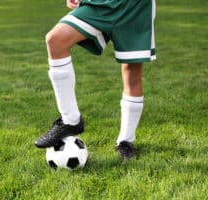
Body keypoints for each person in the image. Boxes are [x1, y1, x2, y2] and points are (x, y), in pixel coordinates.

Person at [34, 0, 156, 161]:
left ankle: (126, 141)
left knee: (132, 72)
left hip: (135, 6)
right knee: (55, 39)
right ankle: (70, 120)